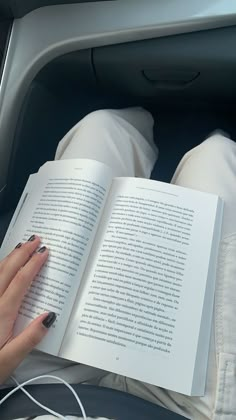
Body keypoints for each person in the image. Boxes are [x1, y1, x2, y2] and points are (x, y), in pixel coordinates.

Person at [0, 107, 236, 420]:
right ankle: (206, 128)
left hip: (23, 383)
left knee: (101, 126)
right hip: (182, 412)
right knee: (216, 156)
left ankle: (147, 116)